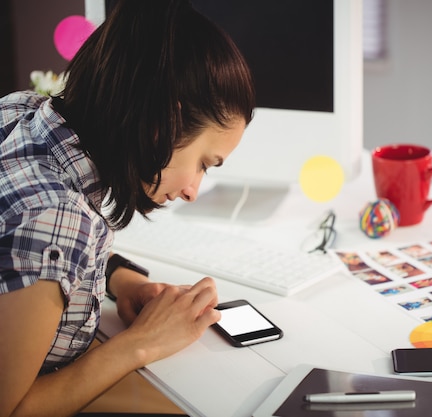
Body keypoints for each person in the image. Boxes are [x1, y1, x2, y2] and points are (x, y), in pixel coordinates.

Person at [0, 0, 255, 415]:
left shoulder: (20, 111)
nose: (193, 190)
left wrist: (120, 281)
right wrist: (142, 344)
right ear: (164, 124)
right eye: (203, 164)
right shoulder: (59, 216)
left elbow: (21, 250)